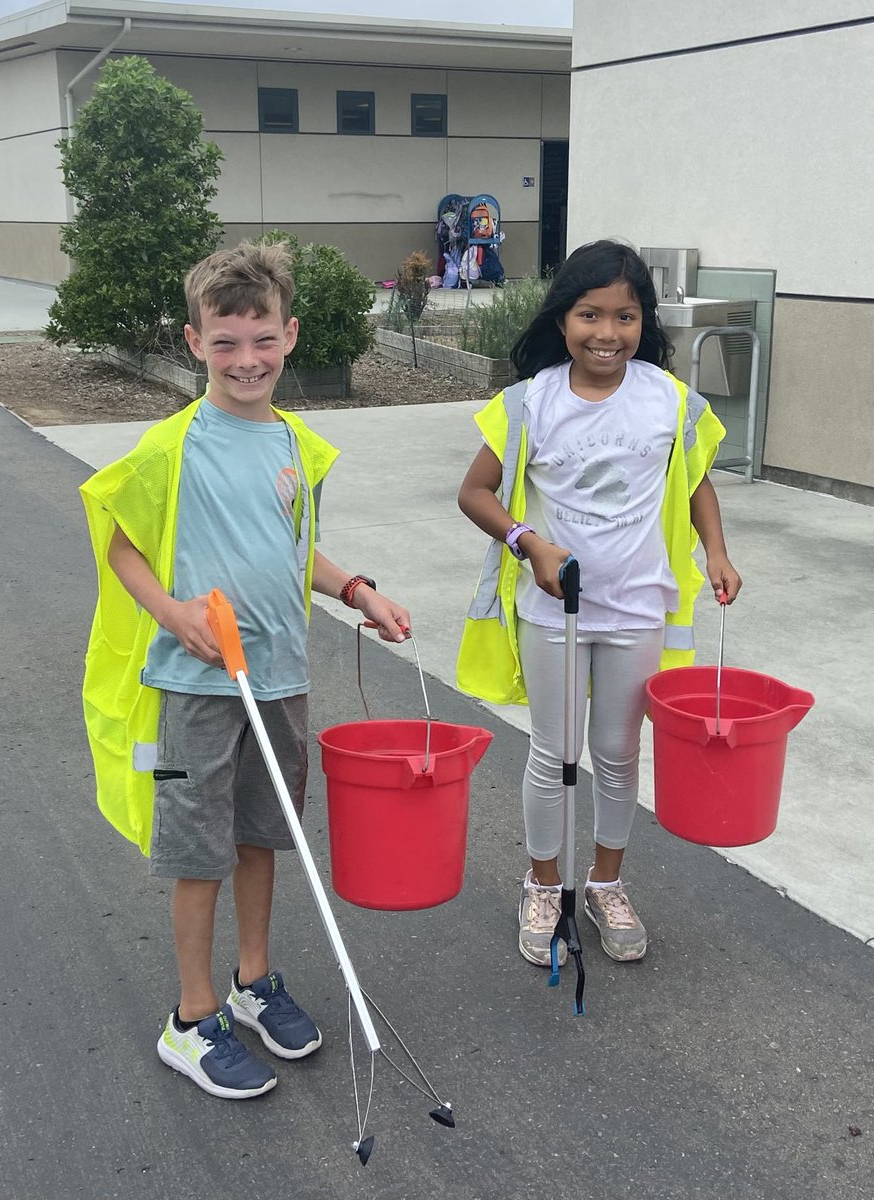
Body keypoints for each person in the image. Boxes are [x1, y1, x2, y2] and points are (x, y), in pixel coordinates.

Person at [79, 242, 410, 1100]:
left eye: (260, 339)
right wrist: (172, 612)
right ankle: (191, 1021)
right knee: (197, 853)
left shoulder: (295, 444)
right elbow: (121, 545)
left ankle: (252, 982)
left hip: (279, 680)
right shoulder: (173, 446)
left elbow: (294, 551)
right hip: (196, 691)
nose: (246, 360)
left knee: (266, 836)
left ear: (289, 335)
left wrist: (357, 589)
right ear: (195, 344)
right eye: (225, 344)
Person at [456, 239, 741, 967]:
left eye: (626, 315)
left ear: (645, 321)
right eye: (590, 314)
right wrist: (529, 543)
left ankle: (606, 882)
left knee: (617, 754)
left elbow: (696, 481)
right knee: (555, 754)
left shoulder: (670, 401)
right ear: (562, 319)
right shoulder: (529, 403)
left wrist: (716, 551)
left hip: (639, 607)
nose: (607, 333)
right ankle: (543, 885)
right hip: (554, 609)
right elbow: (475, 493)